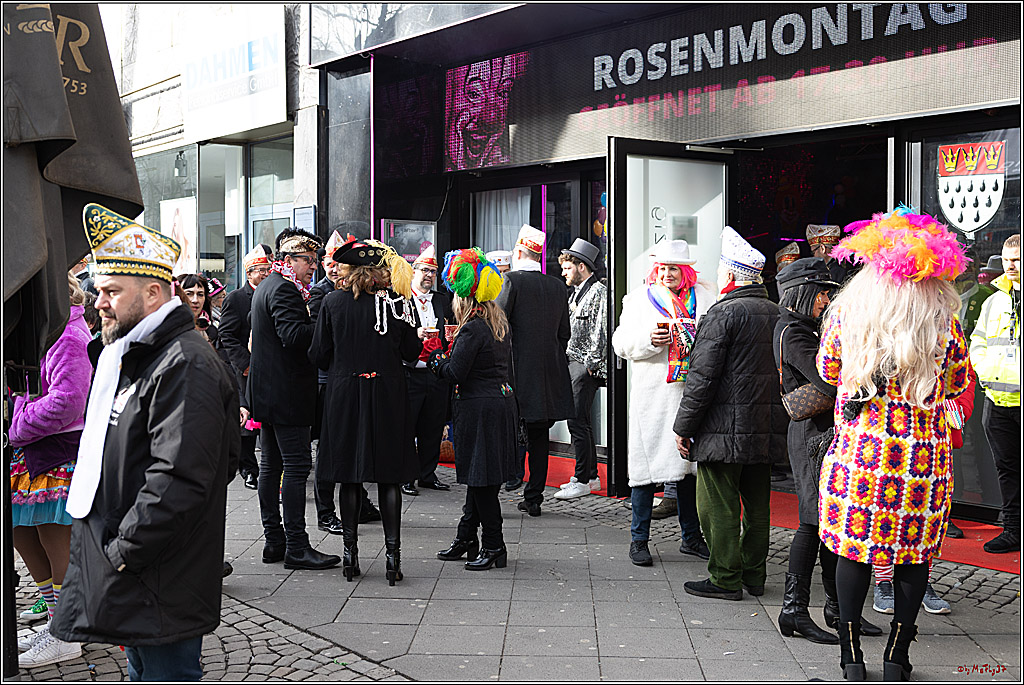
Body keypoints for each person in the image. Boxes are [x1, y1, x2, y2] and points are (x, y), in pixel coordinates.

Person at [50, 205, 239, 681]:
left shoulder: (183, 364)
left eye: (112, 292)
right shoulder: (137, 353)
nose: (100, 302)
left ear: (154, 293)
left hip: (156, 574)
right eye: (99, 291)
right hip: (144, 572)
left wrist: (122, 552)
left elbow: (179, 480)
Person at [815, 206, 971, 681]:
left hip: (862, 456)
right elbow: (956, 380)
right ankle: (898, 657)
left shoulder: (849, 311)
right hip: (921, 459)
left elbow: (828, 372)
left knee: (852, 553)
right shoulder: (943, 320)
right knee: (912, 557)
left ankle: (850, 657)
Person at [673, 227, 787, 599]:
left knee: (717, 504)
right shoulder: (778, 312)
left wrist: (683, 427)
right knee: (757, 506)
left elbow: (701, 378)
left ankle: (725, 577)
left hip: (722, 430)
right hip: (765, 428)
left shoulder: (723, 314)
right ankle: (754, 575)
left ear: (731, 276)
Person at [773, 258, 883, 644]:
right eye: (821, 292)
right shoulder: (793, 331)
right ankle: (794, 610)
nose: (826, 299)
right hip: (810, 435)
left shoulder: (802, 328)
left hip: (821, 433)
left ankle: (837, 610)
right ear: (803, 292)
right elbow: (828, 377)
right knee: (811, 522)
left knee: (830, 523)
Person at [309, 237, 422, 585]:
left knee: (349, 475)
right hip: (387, 393)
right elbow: (412, 352)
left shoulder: (331, 303)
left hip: (345, 394)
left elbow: (318, 354)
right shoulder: (396, 305)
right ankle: (392, 557)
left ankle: (350, 554)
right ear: (375, 273)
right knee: (389, 476)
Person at [614, 240, 715, 566]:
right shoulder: (640, 299)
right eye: (663, 268)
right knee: (645, 472)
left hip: (693, 394)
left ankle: (691, 537)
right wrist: (648, 340)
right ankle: (638, 539)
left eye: (674, 268)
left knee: (687, 471)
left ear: (686, 271)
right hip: (654, 398)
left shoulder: (706, 296)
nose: (668, 274)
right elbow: (620, 342)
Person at [10, 272, 93, 668]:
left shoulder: (67, 336)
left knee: (54, 538)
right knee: (25, 533)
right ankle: (56, 615)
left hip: (58, 452)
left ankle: (67, 629)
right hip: (36, 453)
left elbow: (70, 400)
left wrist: (18, 420)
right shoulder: (44, 336)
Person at [249, 228, 340, 571]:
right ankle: (297, 546)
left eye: (315, 261)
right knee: (297, 467)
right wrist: (320, 321)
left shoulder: (269, 286)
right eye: (308, 261)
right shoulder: (285, 290)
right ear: (287, 260)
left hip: (269, 393)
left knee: (272, 467)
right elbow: (293, 336)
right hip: (287, 395)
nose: (313, 267)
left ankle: (275, 541)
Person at [430, 248, 518, 570]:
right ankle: (467, 536)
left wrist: (436, 363)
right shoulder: (498, 322)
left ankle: (494, 545)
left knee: (483, 484)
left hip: (480, 410)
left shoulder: (472, 328)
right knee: (483, 480)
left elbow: (455, 373)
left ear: (463, 298)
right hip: (500, 404)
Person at [496, 224, 574, 517]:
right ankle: (534, 497)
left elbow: (499, 328)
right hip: (548, 374)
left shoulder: (511, 281)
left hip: (516, 373)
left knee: (508, 432)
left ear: (518, 252)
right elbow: (563, 333)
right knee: (539, 438)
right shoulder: (556, 286)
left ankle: (506, 483)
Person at [308, 232, 380, 533]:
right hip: (335, 384)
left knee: (349, 445)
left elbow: (319, 351)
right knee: (331, 448)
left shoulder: (337, 299)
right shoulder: (323, 296)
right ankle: (327, 511)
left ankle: (357, 504)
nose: (335, 269)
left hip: (340, 381)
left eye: (340, 264)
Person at [970, 233, 1021, 554]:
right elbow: (978, 341)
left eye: (1017, 259)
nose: (1011, 266)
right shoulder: (994, 300)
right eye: (1006, 260)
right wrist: (987, 374)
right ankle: (1014, 529)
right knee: (1007, 469)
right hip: (998, 399)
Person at [554, 238, 607, 501]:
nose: (563, 272)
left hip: (583, 365)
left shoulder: (598, 292)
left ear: (582, 267)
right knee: (580, 421)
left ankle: (583, 478)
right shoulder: (579, 292)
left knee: (577, 421)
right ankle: (590, 476)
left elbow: (600, 329)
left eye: (567, 267)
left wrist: (590, 365)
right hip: (575, 363)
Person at [219, 244, 273, 490]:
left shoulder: (274, 293)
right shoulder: (236, 298)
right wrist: (245, 364)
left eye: (267, 269)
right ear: (249, 272)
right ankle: (248, 469)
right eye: (259, 270)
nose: (264, 273)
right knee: (247, 424)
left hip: (269, 368)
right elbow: (227, 335)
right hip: (246, 368)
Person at [402, 245, 455, 496]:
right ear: (414, 271)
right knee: (406, 426)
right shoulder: (401, 299)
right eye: (424, 270)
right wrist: (415, 334)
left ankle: (427, 474)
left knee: (432, 427)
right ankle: (405, 475)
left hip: (436, 372)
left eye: (433, 272)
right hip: (410, 372)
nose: (428, 276)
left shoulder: (442, 299)